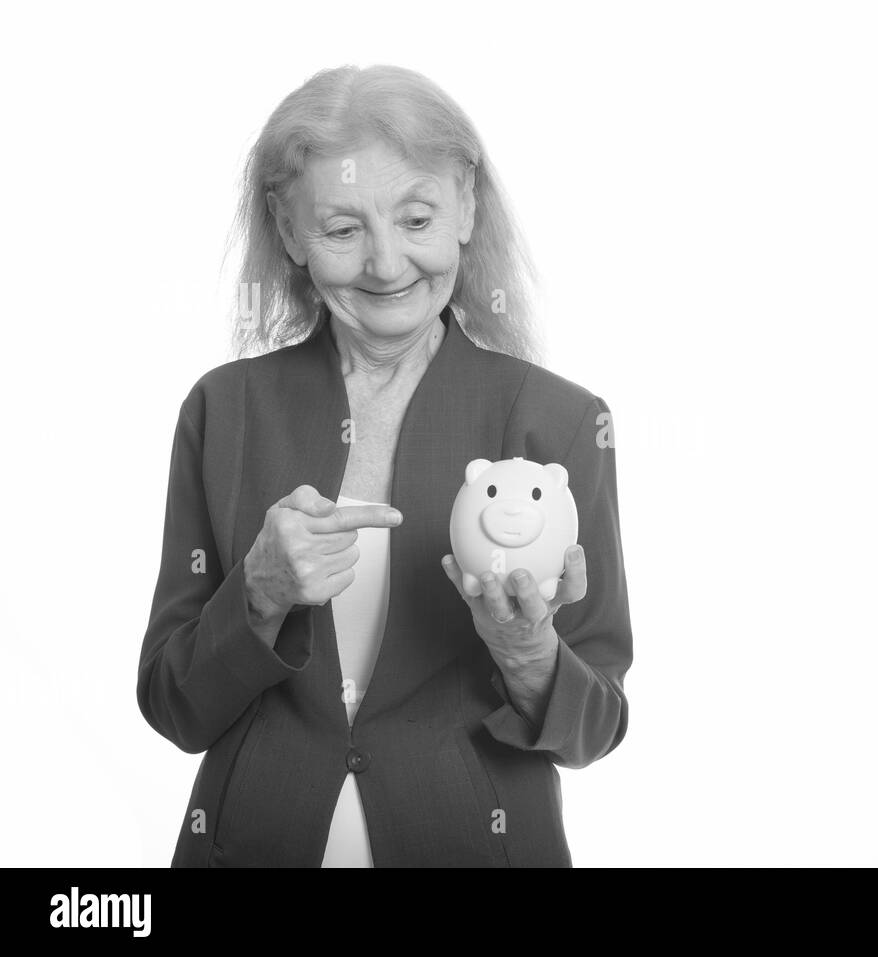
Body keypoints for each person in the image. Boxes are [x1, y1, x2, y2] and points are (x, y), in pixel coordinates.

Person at [136, 64, 633, 867]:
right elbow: (173, 704)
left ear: (466, 205)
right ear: (288, 230)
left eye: (416, 217)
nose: (387, 264)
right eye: (341, 229)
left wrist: (524, 650)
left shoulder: (563, 423)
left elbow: (597, 724)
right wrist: (256, 595)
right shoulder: (222, 411)